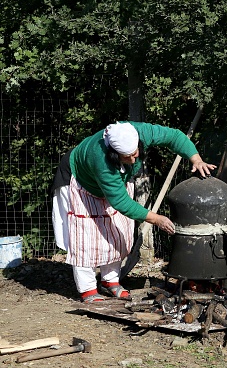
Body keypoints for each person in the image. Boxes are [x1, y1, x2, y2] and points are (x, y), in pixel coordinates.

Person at [51, 121, 216, 303]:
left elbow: (175, 136)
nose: (132, 160)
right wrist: (156, 219)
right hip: (83, 183)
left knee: (117, 233)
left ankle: (110, 281)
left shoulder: (141, 132)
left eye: (135, 154)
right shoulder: (100, 159)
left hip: (114, 185)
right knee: (86, 238)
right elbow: (121, 202)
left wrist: (196, 159)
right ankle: (88, 289)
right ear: (114, 153)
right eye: (126, 157)